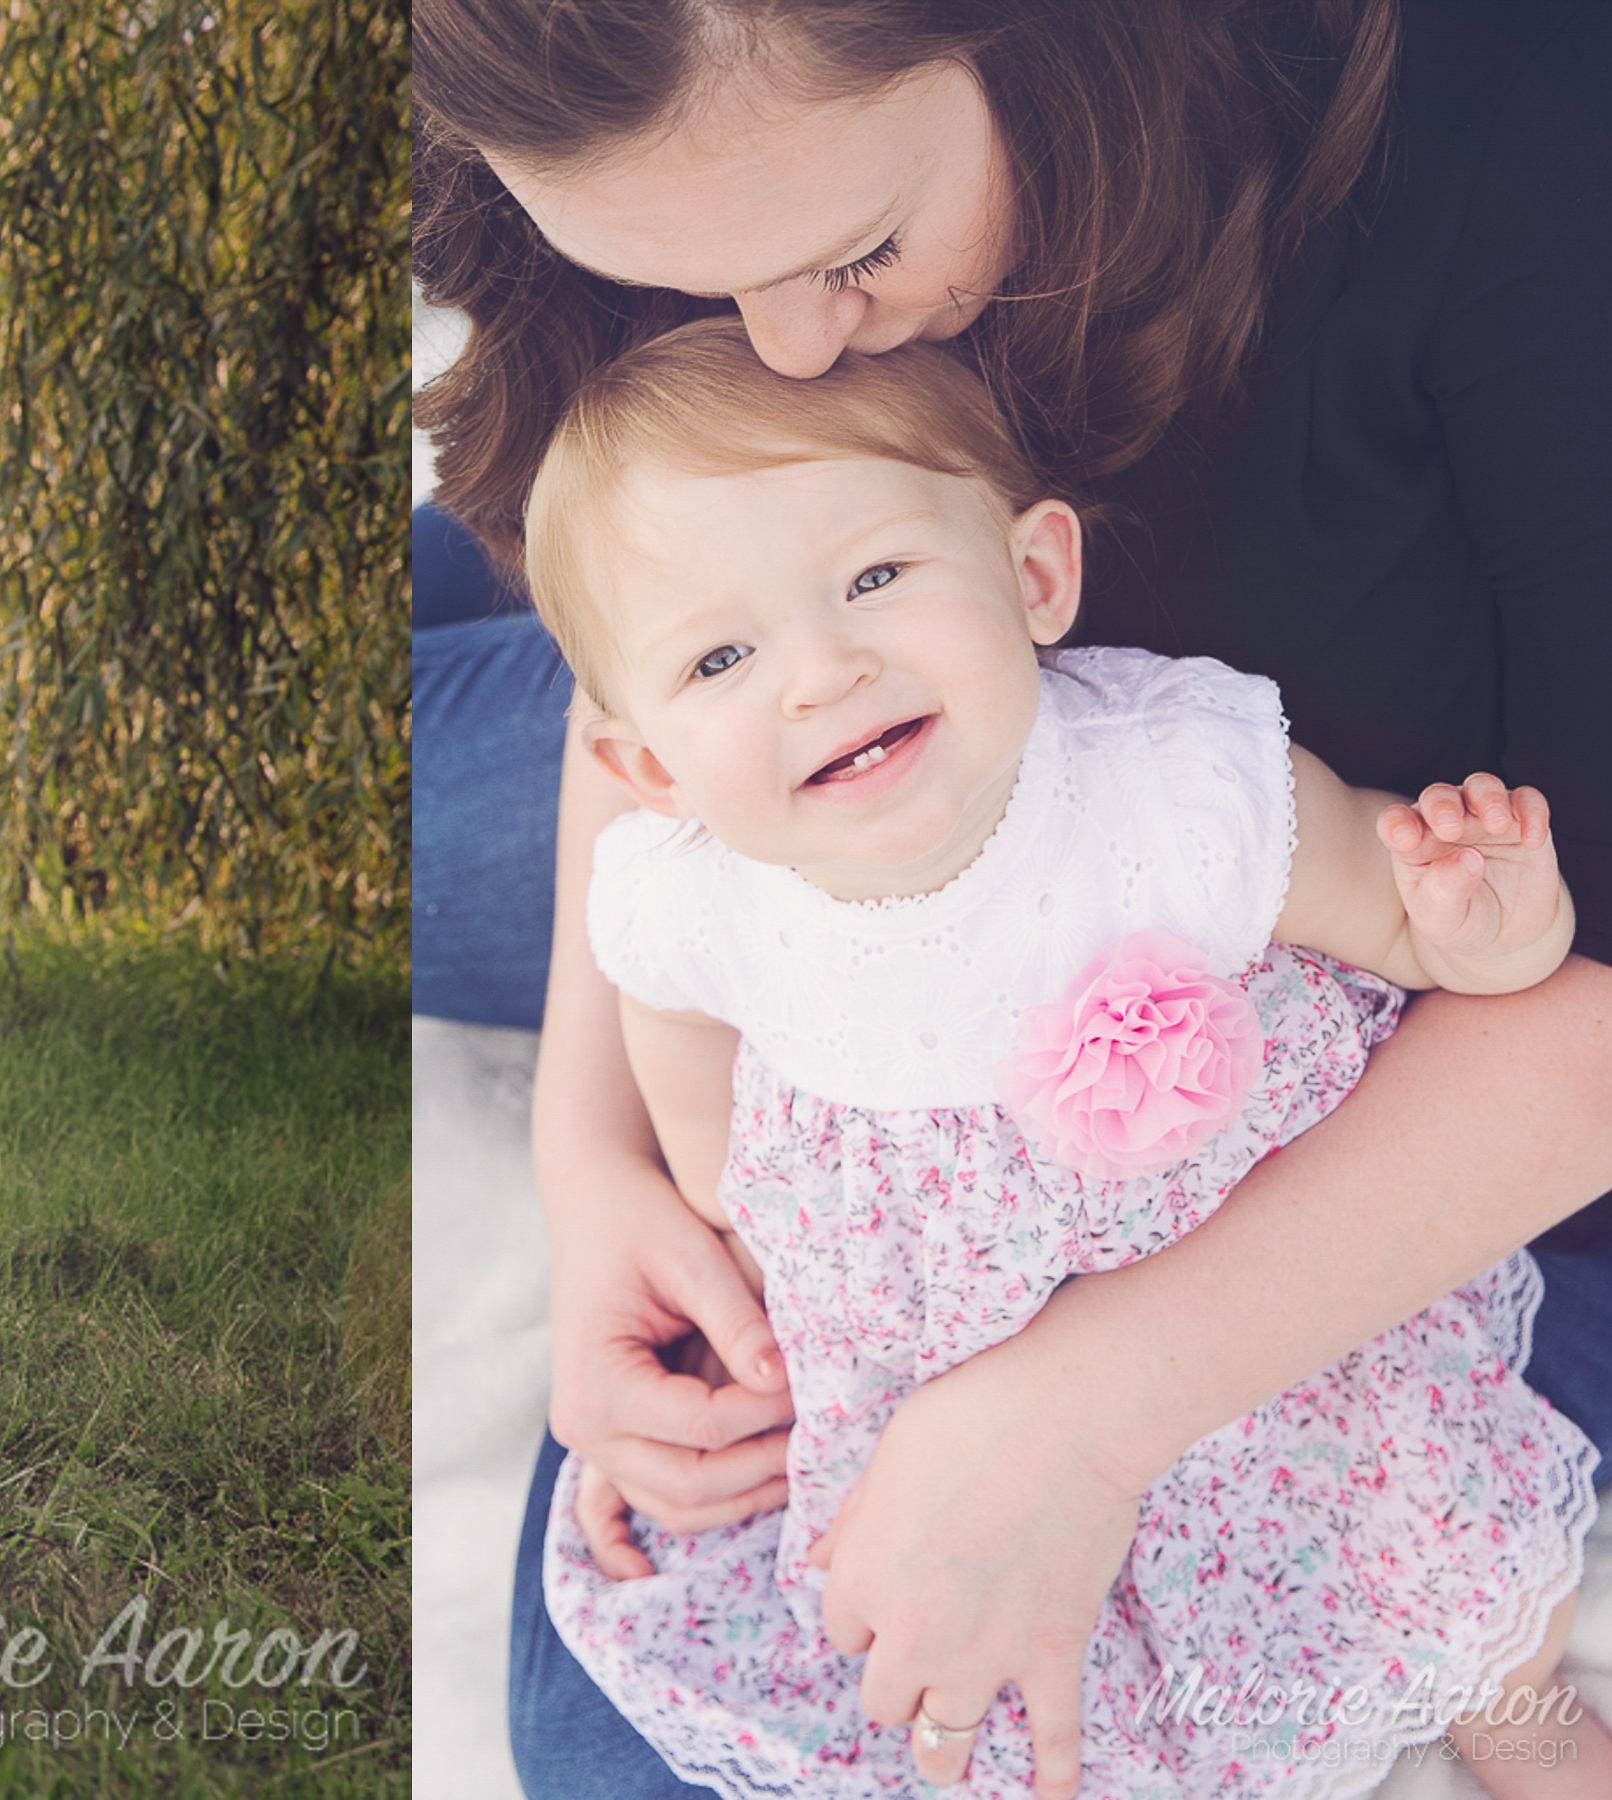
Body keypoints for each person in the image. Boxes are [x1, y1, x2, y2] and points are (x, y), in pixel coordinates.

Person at [411, 2, 1612, 1791]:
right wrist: (596, 1177)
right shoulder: (674, 173)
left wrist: (1079, 1416)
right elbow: (638, 743)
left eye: (854, 254)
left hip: (1315, 1027)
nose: (786, 350)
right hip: (837, 844)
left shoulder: (1512, 136)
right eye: (684, 290)